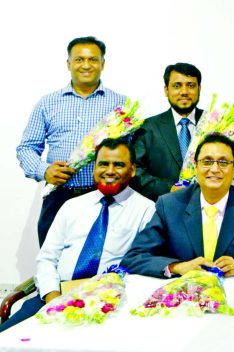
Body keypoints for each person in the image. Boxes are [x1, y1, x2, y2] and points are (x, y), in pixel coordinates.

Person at [0, 138, 154, 333]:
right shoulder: (72, 206)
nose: (110, 171)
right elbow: (47, 258)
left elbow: (140, 267)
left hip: (105, 303)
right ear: (94, 168)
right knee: (7, 338)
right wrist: (52, 297)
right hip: (53, 295)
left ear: (132, 170)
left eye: (119, 165)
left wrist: (102, 298)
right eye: (103, 164)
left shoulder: (146, 210)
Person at [16, 36, 127, 246]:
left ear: (103, 63)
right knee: (52, 259)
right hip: (59, 196)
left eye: (93, 60)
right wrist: (44, 170)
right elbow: (27, 147)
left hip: (104, 195)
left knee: (100, 260)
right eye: (79, 60)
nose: (86, 65)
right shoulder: (48, 103)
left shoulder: (121, 105)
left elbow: (131, 154)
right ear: (69, 64)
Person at [122, 134, 234, 278]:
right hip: (182, 298)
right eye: (207, 162)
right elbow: (135, 257)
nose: (215, 169)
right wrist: (178, 267)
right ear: (195, 166)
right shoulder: (170, 205)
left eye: (223, 162)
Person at [131, 63, 205, 201]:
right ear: (166, 90)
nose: (184, 91)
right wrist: (169, 188)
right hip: (162, 206)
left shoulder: (214, 123)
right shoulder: (147, 128)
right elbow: (135, 171)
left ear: (199, 89)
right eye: (177, 86)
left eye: (191, 85)